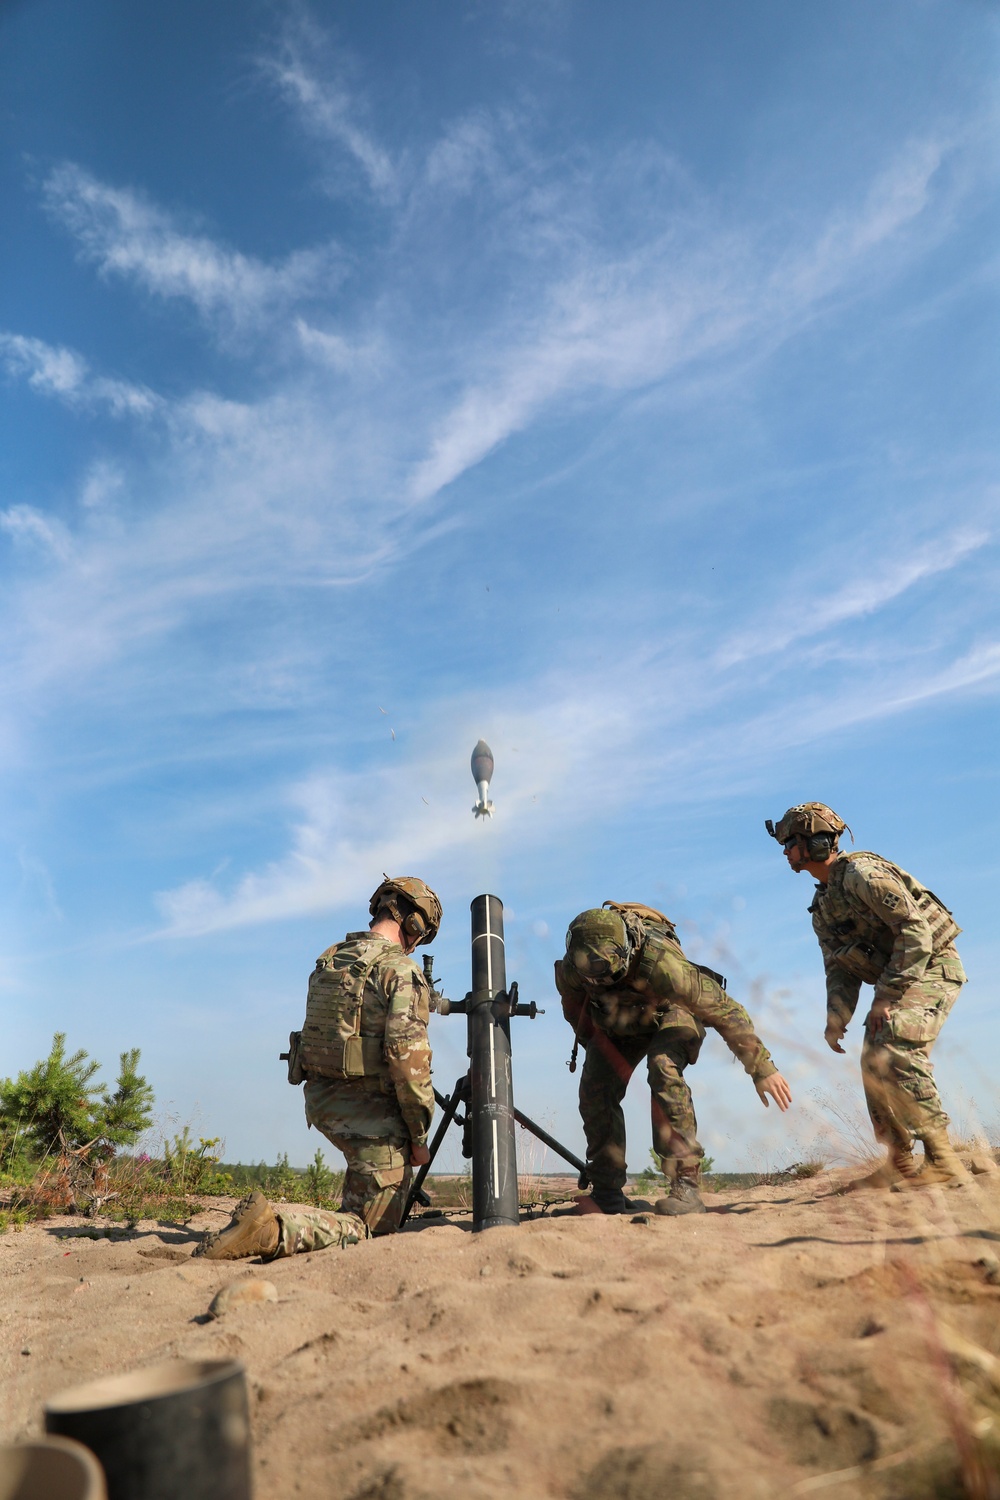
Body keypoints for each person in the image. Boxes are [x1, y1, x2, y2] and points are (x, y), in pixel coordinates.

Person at [198, 876, 441, 1261]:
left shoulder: (331, 959)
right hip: (372, 1118)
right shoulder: (400, 971)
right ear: (413, 925)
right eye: (422, 935)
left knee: (366, 1186)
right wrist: (419, 1137)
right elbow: (408, 1064)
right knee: (368, 1229)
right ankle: (272, 1230)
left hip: (324, 1103)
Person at [766, 802, 968, 1189]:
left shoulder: (864, 875)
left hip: (932, 968)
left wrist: (886, 998)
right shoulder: (822, 906)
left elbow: (916, 934)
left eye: (790, 842)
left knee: (894, 1044)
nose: (785, 851)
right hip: (900, 978)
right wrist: (835, 1019)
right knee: (872, 1060)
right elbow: (839, 969)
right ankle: (901, 1161)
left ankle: (942, 1159)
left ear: (817, 843)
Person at [555, 902, 792, 1218]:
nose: (597, 977)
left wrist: (761, 1067)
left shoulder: (662, 965)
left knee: (662, 1066)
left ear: (624, 956)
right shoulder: (573, 969)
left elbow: (725, 1010)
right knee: (595, 1087)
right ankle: (607, 1192)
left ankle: (686, 1188)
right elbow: (574, 1010)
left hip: (670, 1011)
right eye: (590, 970)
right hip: (618, 1020)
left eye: (604, 970)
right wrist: (597, 1054)